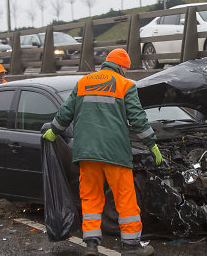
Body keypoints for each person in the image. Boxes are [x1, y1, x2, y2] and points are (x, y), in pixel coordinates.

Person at [42, 48, 162, 256]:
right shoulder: (125, 85)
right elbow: (137, 119)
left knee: (90, 197)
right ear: (122, 67)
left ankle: (91, 245)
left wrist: (53, 131)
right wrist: (152, 143)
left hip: (86, 153)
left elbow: (65, 112)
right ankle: (132, 246)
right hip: (115, 153)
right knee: (124, 198)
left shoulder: (83, 83)